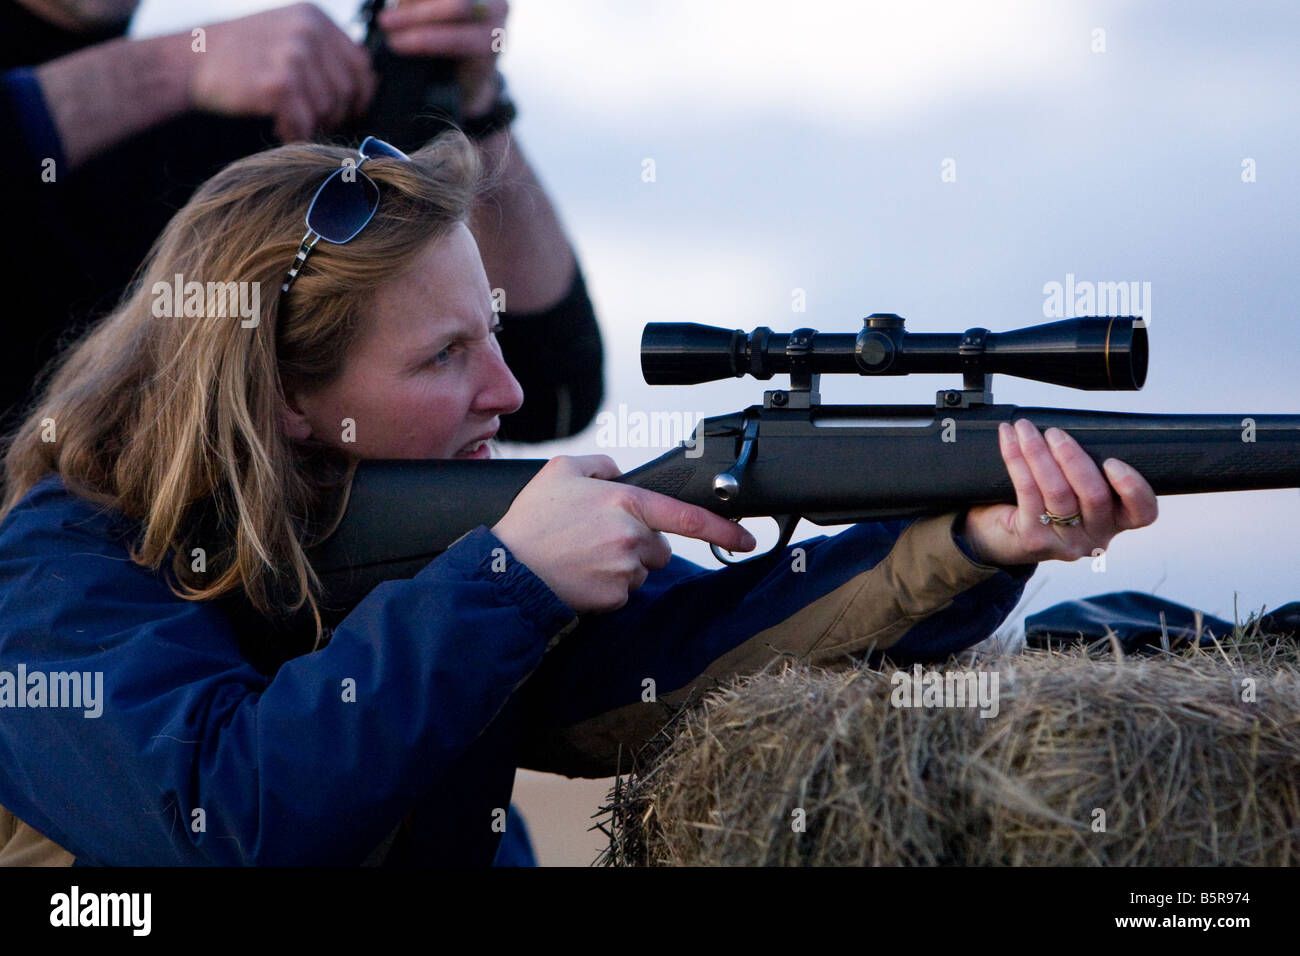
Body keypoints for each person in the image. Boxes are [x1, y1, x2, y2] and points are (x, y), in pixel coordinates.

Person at [0, 131, 1159, 866]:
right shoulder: (54, 578)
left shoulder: (409, 557)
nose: (507, 391)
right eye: (442, 357)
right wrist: (505, 580)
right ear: (287, 400)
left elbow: (668, 670)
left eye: (493, 336)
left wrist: (963, 542)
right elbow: (227, 820)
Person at [1, 0, 601, 442]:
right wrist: (173, 70)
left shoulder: (256, 124)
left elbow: (552, 393)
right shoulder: (200, 78)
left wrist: (466, 106)